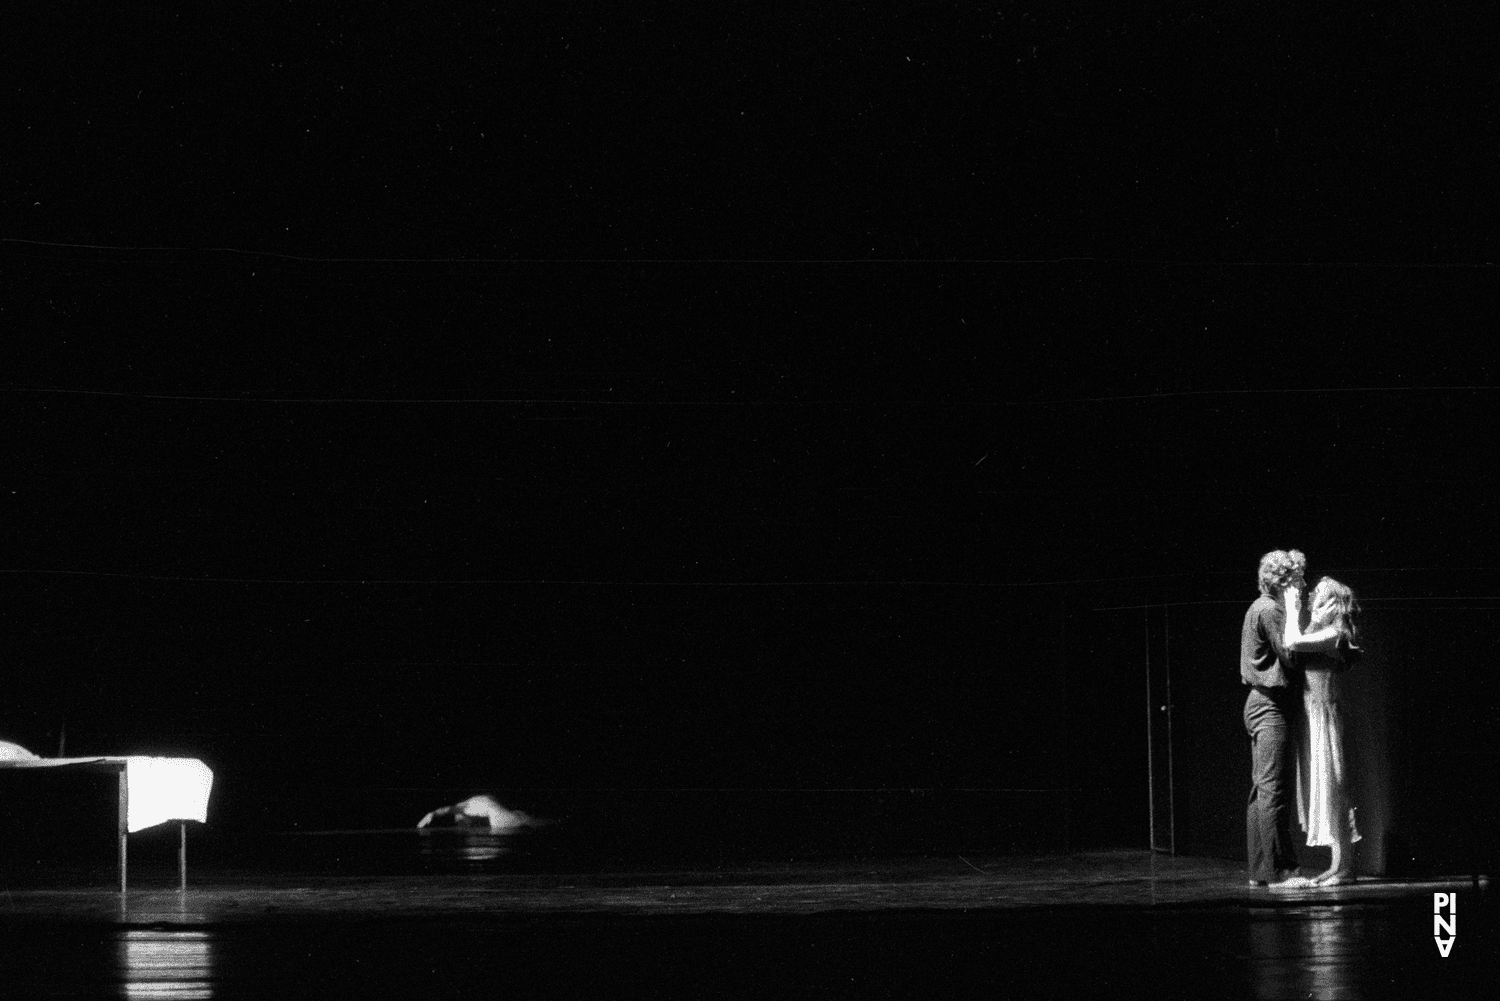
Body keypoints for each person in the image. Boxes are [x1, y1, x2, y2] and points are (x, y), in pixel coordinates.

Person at [1283, 576, 1363, 886]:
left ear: (1332, 603)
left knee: (1334, 789)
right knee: (1324, 790)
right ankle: (1337, 864)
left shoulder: (1336, 632)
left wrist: (1292, 607)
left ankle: (1346, 868)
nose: (1312, 597)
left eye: (1319, 595)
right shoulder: (1323, 630)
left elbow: (1292, 641)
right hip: (1314, 715)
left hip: (1326, 716)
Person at [1241, 549, 1307, 887]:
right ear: (1284, 580)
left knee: (1263, 790)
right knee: (1273, 791)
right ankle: (1281, 870)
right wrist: (1294, 611)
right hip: (1270, 706)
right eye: (1297, 578)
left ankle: (1260, 872)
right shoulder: (1270, 610)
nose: (1303, 583)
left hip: (1262, 703)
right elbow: (1291, 655)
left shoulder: (1260, 607)